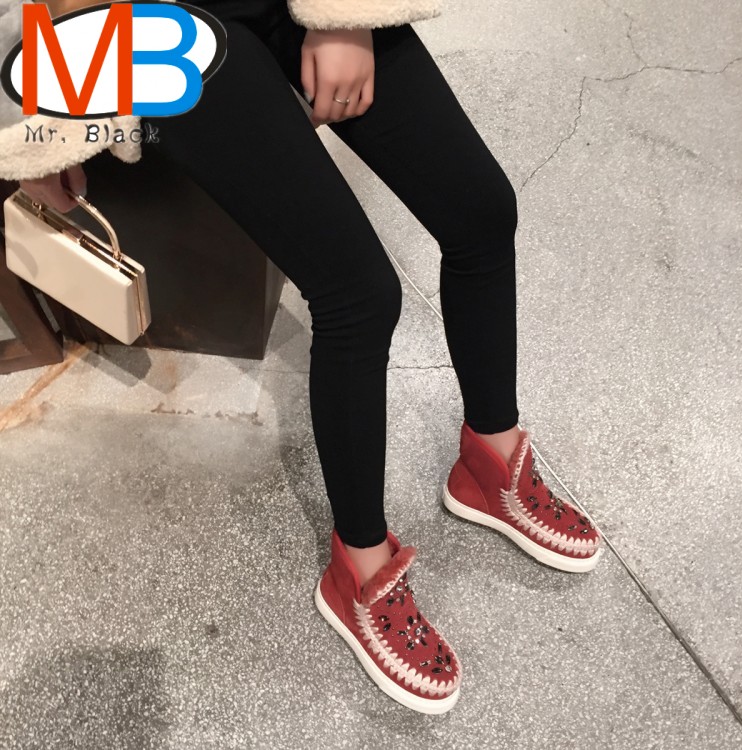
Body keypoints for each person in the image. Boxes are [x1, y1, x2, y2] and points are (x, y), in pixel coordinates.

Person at [1, 0, 603, 715]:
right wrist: (53, 121)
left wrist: (343, 14)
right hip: (158, 24)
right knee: (359, 294)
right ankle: (358, 566)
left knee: (481, 209)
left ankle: (489, 458)